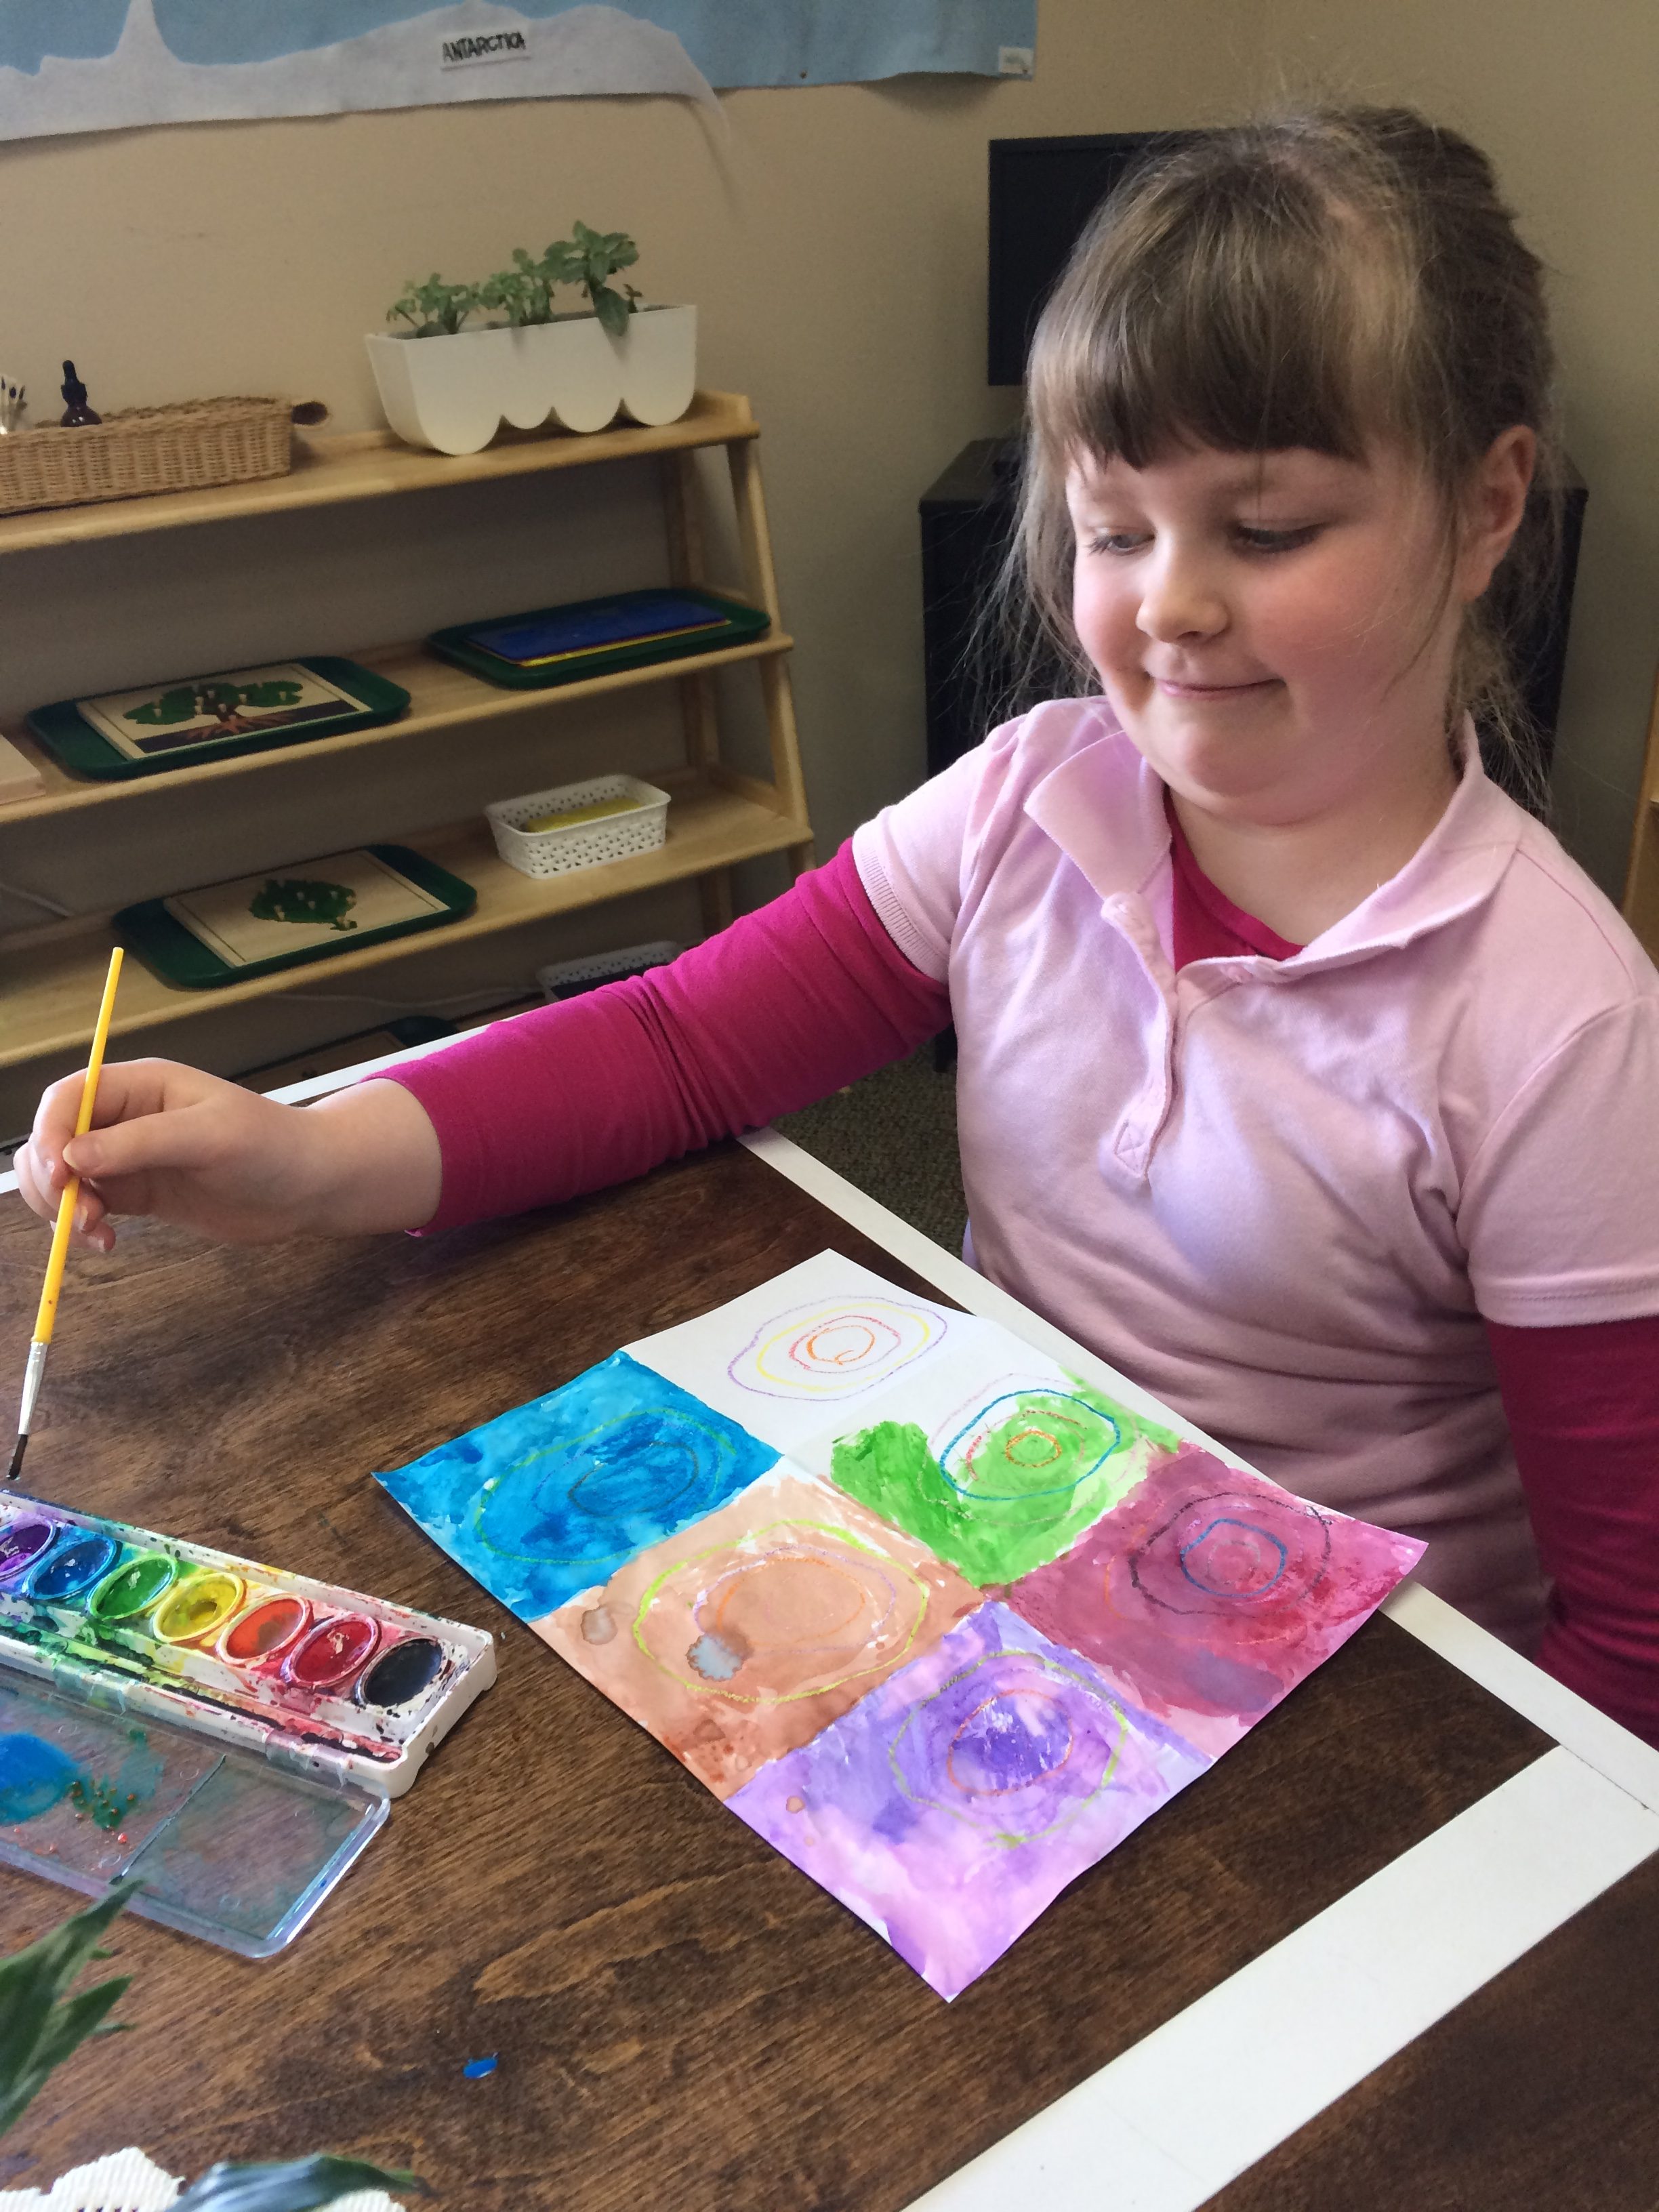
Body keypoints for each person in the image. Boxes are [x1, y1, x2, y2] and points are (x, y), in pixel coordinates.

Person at [18, 108, 1659, 1744]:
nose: (1170, 601)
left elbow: (1635, 1637)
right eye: (1113, 529)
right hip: (1007, 1580)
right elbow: (675, 1044)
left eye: (1269, 528)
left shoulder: (1564, 1028)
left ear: (1487, 507)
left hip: (1352, 1717)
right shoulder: (1028, 800)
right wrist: (307, 1156)